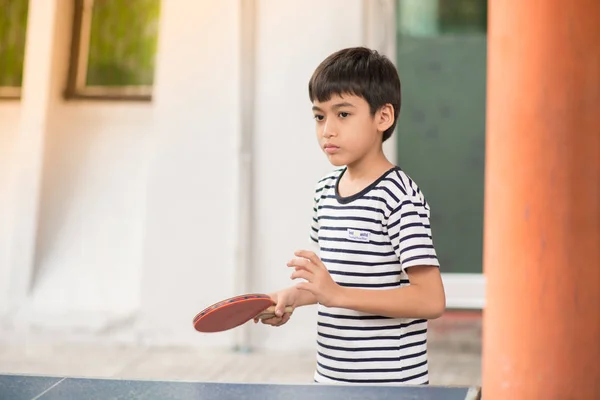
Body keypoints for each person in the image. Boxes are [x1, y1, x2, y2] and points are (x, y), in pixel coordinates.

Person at [256, 47, 446, 385]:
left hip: (392, 388)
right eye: (319, 116)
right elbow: (331, 285)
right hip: (330, 382)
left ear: (382, 117)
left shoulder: (400, 197)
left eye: (343, 114)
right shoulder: (324, 191)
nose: (327, 129)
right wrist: (294, 297)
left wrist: (337, 295)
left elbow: (430, 299)